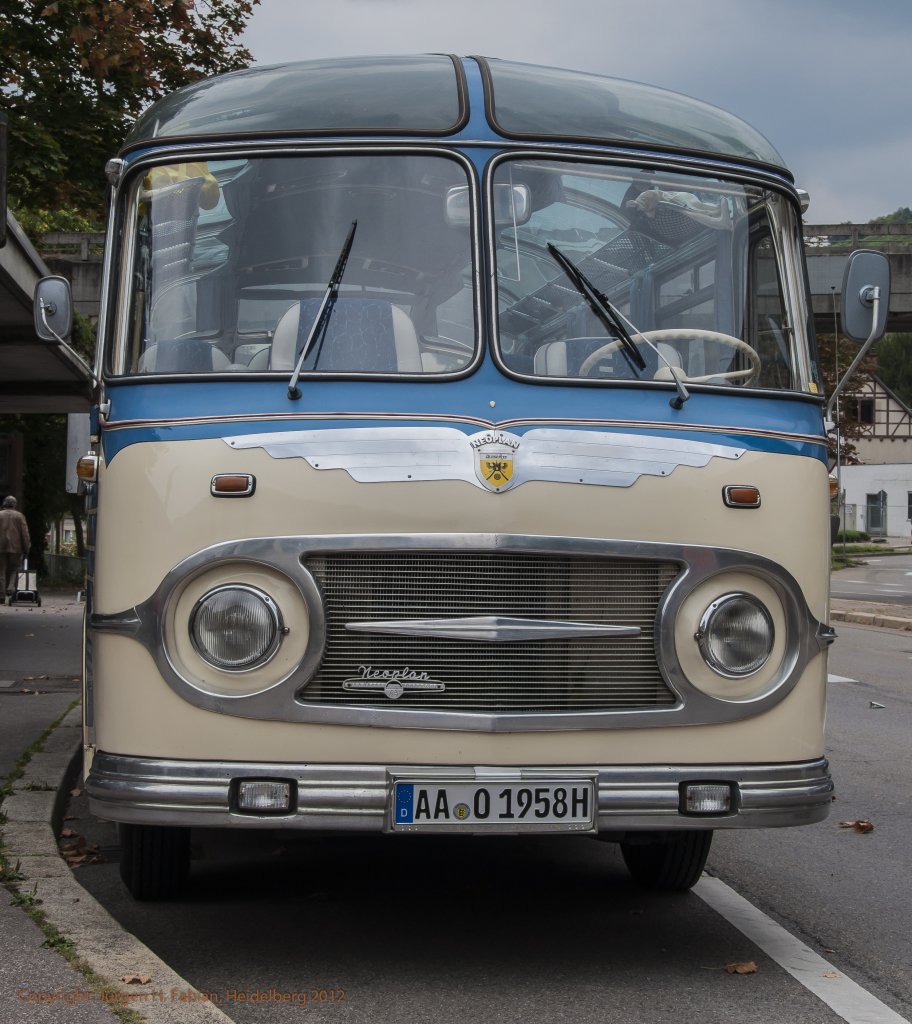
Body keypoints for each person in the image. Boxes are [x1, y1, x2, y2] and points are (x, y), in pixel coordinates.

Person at [0, 496, 30, 598]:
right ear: (14, 504)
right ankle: (10, 587)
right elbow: (25, 534)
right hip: (16, 547)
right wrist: (27, 547)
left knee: (1, 570)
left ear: (4, 504)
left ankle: (1, 594)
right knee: (14, 569)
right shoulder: (19, 516)